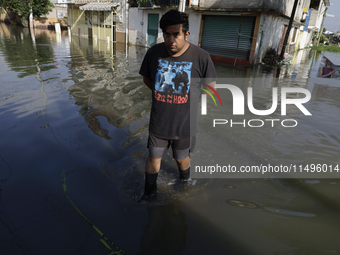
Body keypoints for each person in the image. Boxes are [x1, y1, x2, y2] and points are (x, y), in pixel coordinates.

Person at [138, 10, 216, 203]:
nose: (171, 39)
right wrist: (162, 93)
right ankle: (149, 193)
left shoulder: (201, 56)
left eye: (176, 34)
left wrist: (192, 99)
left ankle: (186, 182)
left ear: (186, 34)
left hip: (185, 123)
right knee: (153, 158)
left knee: (181, 158)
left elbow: (211, 86)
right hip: (159, 122)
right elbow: (147, 79)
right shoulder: (154, 53)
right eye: (167, 34)